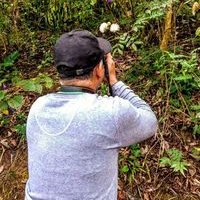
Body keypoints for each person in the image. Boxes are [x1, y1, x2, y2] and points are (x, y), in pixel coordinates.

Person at [25, 29, 157, 200]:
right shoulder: (110, 112)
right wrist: (115, 82)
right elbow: (150, 121)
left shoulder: (37, 108)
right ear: (99, 70)